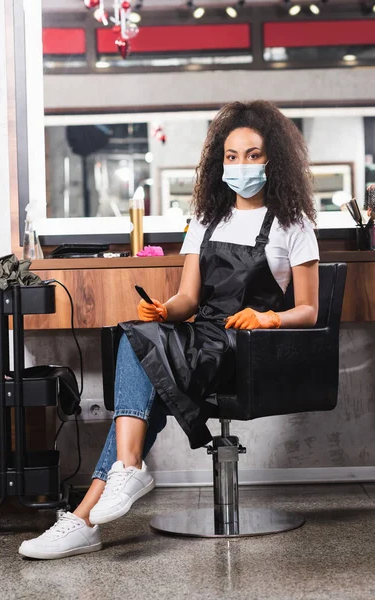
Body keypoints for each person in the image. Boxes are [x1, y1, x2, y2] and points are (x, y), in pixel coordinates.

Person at [19, 100, 319, 560]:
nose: (241, 165)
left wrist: (268, 317)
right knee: (137, 337)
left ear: (272, 159)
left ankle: (95, 504)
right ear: (221, 162)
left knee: (148, 363)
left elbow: (310, 311)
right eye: (232, 156)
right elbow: (188, 301)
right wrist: (164, 311)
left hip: (252, 349)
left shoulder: (292, 225)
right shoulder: (206, 220)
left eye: (253, 155)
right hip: (205, 340)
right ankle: (109, 489)